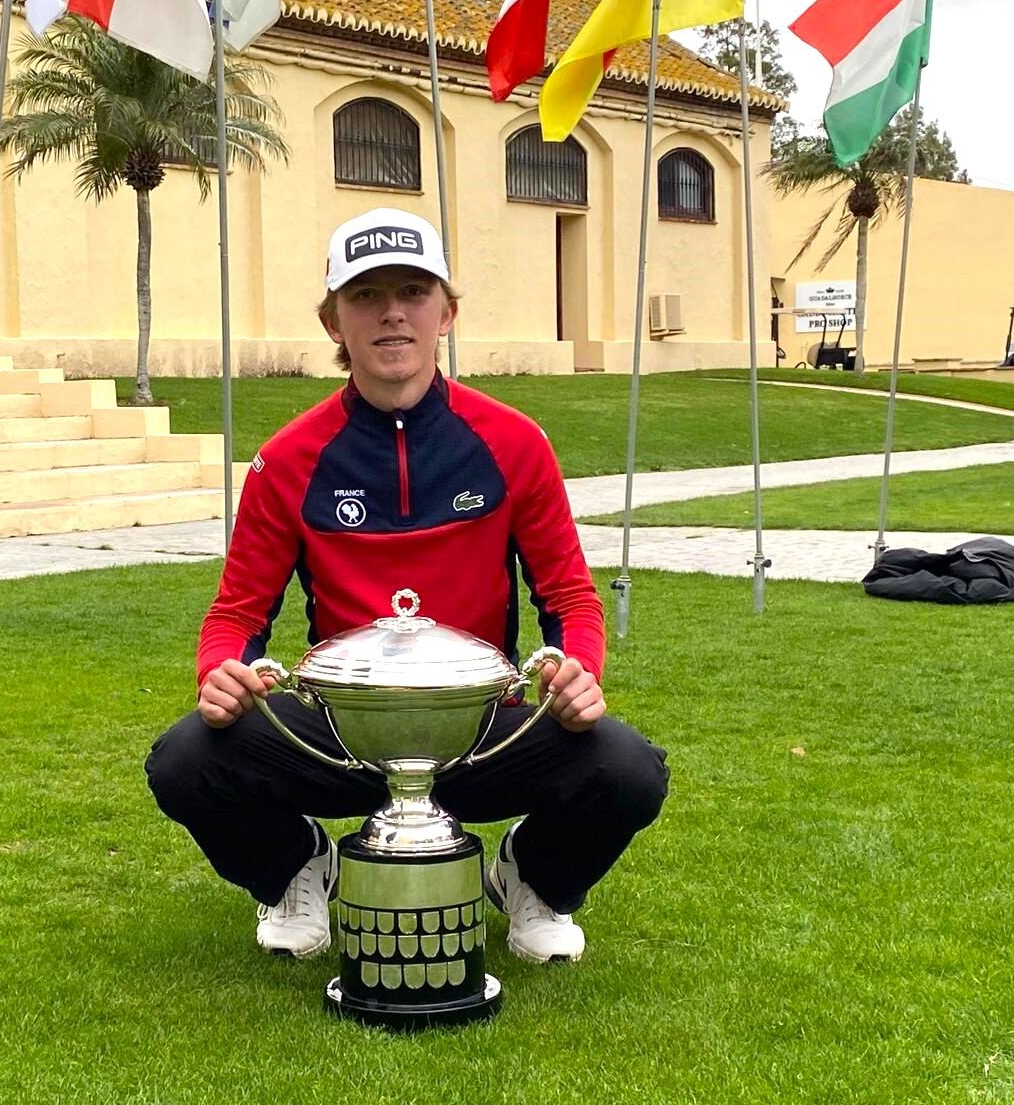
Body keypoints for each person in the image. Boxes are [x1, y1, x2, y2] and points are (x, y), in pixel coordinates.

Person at [145, 207, 668, 964]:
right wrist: (218, 672)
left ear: (447, 312)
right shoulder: (288, 460)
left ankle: (534, 878)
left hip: (484, 731)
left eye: (414, 291)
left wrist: (577, 668)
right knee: (188, 759)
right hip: (341, 737)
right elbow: (237, 614)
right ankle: (296, 866)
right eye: (365, 296)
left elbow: (569, 598)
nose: (392, 312)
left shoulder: (514, 443)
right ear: (333, 321)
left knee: (626, 769)